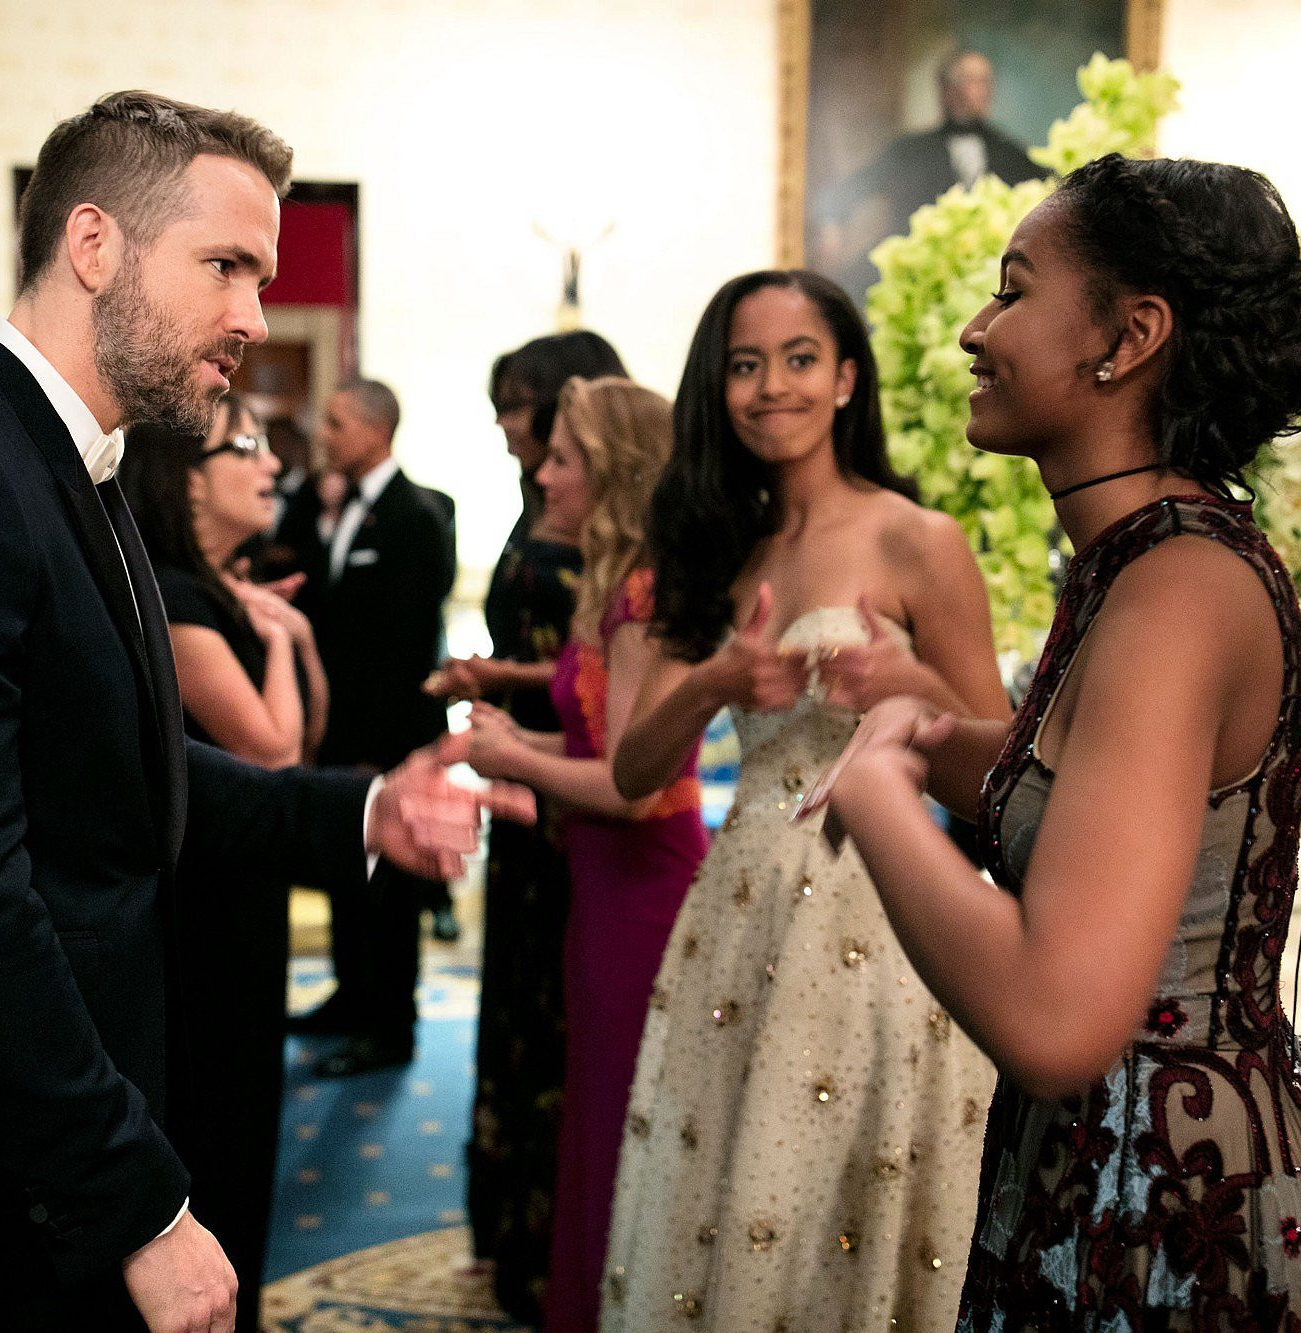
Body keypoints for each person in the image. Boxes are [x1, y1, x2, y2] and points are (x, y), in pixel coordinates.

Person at [0, 91, 529, 1333]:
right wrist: (133, 1201)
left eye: (262, 276)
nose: (254, 315)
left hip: (32, 1158)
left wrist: (364, 808)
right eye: (224, 265)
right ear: (93, 245)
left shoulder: (73, 463)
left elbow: (111, 770)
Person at [815, 154, 1301, 1329]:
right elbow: (1094, 804)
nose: (975, 329)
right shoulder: (1139, 557)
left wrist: (871, 792)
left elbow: (1056, 1018)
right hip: (1110, 1167)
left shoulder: (1176, 587)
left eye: (1011, 290)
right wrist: (928, 736)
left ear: (1127, 337)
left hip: (1175, 1194)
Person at [601, 270, 1009, 1331]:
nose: (769, 386)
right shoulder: (709, 545)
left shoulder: (916, 538)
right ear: (716, 386)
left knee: (847, 1204)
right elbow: (631, 770)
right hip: (734, 918)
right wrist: (713, 683)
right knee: (727, 1206)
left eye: (795, 359)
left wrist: (910, 687)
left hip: (885, 916)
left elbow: (1002, 761)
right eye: (744, 363)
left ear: (844, 379)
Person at [465, 376, 706, 1333]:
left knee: (620, 1120)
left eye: (564, 458)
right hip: (603, 885)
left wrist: (508, 757)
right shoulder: (616, 586)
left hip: (644, 887)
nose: (546, 474)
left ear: (613, 474)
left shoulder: (648, 593)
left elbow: (633, 785)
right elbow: (604, 751)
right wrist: (514, 749)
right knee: (598, 1117)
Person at [423, 330, 628, 1319]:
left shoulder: (609, 525)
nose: (508, 426)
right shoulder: (534, 500)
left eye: (524, 406)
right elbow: (551, 659)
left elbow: (607, 684)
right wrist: (496, 683)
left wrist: (516, 728)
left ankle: (555, 1245)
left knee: (557, 1024)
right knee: (512, 1006)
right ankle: (513, 1235)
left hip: (572, 797)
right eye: (502, 406)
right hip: (523, 789)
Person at [120, 398, 328, 1333]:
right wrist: (280, 641)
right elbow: (276, 752)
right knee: (219, 1128)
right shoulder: (175, 593)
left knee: (252, 1121)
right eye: (245, 444)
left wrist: (295, 637)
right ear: (185, 475)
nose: (271, 462)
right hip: (203, 906)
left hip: (247, 887)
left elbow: (309, 730)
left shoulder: (219, 585)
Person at [285, 379, 459, 1079]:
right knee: (346, 877)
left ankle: (390, 1026)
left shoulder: (416, 517)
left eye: (336, 423)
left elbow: (406, 650)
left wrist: (373, 755)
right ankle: (350, 997)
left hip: (387, 737)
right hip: (339, 734)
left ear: (376, 429)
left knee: (389, 890)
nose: (325, 435)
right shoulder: (335, 506)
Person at [817, 51, 1047, 298]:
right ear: (947, 90)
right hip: (919, 278)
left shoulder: (1008, 152)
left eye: (986, 81)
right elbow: (853, 188)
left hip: (985, 281)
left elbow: (1051, 189)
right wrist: (831, 224)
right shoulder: (911, 151)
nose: (983, 90)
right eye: (972, 80)